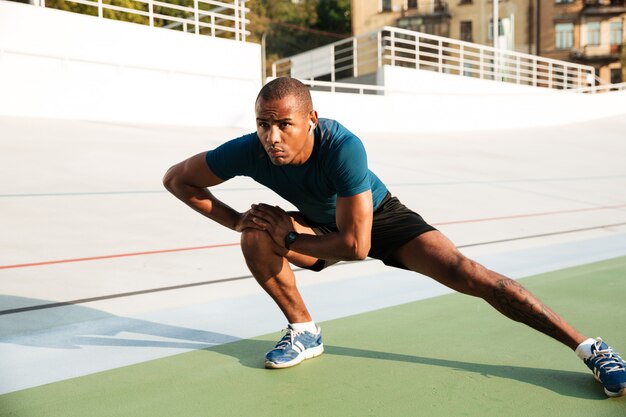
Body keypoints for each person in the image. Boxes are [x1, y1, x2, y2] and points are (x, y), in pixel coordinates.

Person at [163, 77, 625, 397]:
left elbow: (357, 247)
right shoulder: (249, 149)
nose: (272, 137)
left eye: (284, 124)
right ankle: (304, 331)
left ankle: (590, 348)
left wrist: (287, 239)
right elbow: (177, 179)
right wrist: (239, 221)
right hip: (318, 224)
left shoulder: (343, 147)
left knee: (471, 275)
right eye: (264, 124)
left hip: (380, 220)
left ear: (311, 120)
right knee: (254, 237)